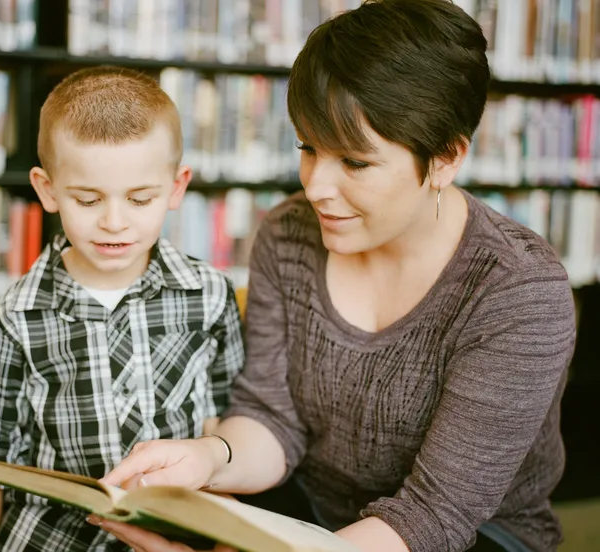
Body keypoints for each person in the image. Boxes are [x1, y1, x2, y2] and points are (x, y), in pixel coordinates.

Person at [95, 1, 577, 552]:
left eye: (354, 162)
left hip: (472, 535)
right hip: (310, 512)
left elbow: (436, 515)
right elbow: (272, 418)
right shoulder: (287, 234)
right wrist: (208, 458)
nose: (316, 186)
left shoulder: (518, 291)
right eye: (308, 147)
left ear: (445, 158)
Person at [0, 66, 245, 552]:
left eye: (139, 198)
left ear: (176, 188)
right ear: (47, 190)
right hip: (52, 539)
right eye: (88, 199)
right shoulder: (16, 314)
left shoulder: (209, 294)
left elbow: (224, 425)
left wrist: (224, 544)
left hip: (176, 538)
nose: (114, 222)